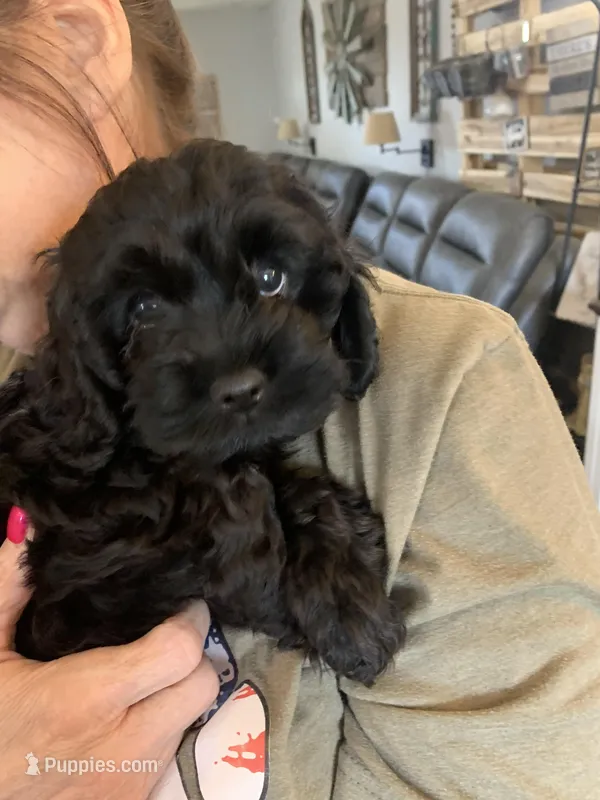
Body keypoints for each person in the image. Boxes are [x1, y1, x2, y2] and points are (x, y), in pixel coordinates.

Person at [1, 2, 600, 798]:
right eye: (145, 314)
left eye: (270, 281)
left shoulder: (448, 386)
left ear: (68, 33)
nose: (234, 375)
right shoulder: (45, 397)